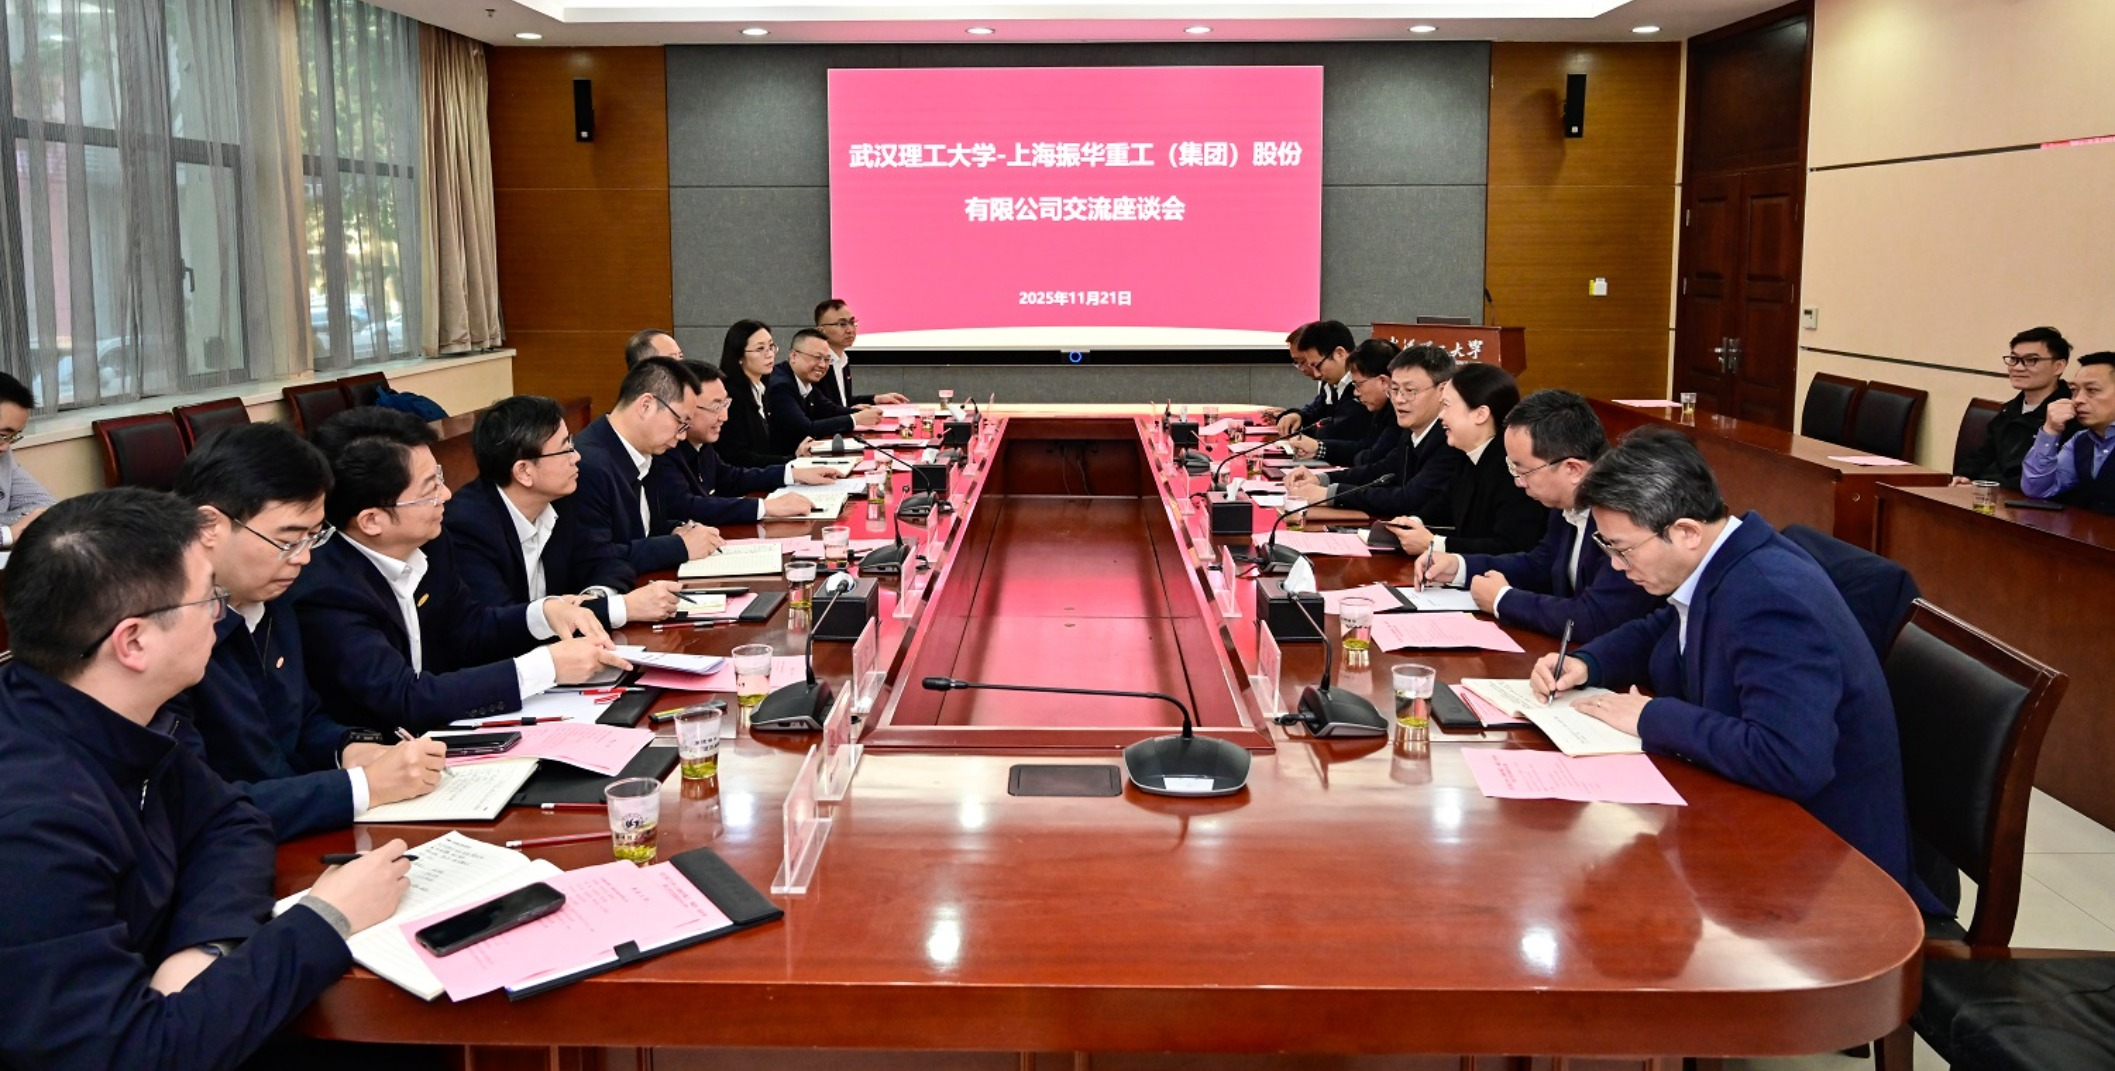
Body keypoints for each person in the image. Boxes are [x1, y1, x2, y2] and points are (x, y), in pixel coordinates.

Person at [0, 487, 413, 1069]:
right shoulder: (31, 824)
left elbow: (229, 819)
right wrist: (326, 920)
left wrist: (204, 948)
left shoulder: (113, 716)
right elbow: (132, 1056)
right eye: (209, 599)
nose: (220, 616)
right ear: (134, 641)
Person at [1530, 427, 1940, 912]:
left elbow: (1788, 760)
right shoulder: (1724, 561)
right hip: (1765, 825)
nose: (1617, 567)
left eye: (1623, 549)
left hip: (1828, 876)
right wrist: (1587, 662)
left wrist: (1649, 717)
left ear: (1685, 531)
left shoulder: (1769, 598)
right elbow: (1667, 626)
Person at [170, 423, 447, 840]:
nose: (303, 559)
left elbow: (302, 719)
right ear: (209, 525)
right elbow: (196, 807)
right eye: (288, 540)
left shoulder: (272, 597)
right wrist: (362, 786)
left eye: (313, 538)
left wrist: (351, 750)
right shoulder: (164, 635)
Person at [291, 407, 629, 733]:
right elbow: (404, 697)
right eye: (429, 489)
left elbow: (470, 629)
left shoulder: (431, 543)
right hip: (386, 752)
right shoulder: (327, 590)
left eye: (439, 478)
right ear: (371, 521)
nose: (446, 494)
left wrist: (544, 613)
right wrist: (546, 667)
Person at [1414, 390, 1660, 642]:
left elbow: (1596, 618)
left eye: (1523, 470)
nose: (1518, 482)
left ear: (1573, 469)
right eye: (1512, 468)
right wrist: (1460, 567)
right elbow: (1541, 564)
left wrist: (1503, 600)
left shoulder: (1626, 517)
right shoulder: (1565, 500)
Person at [444, 395, 683, 629]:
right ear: (524, 471)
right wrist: (619, 608)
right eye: (565, 449)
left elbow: (607, 562)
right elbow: (499, 626)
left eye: (572, 444)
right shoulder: (468, 525)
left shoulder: (563, 497)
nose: (576, 457)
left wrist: (594, 597)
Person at [568, 357, 727, 574]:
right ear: (646, 405)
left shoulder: (649, 451)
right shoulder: (588, 465)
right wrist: (678, 546)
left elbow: (644, 528)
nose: (682, 436)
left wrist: (677, 529)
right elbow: (595, 558)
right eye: (681, 423)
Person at [649, 361, 849, 526]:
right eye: (716, 407)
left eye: (725, 404)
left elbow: (731, 478)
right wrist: (765, 507)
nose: (724, 417)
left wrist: (793, 474)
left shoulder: (701, 443)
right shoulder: (665, 449)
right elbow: (686, 507)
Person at [1382, 361, 1546, 557]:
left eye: (1446, 406)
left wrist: (1436, 544)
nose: (1441, 416)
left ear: (1480, 414)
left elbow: (1510, 546)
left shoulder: (1513, 467)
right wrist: (1413, 522)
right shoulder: (1469, 455)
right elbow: (1444, 504)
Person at [1285, 344, 1464, 520]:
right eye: (1395, 390)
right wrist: (1321, 480)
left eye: (1410, 391)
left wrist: (1328, 494)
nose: (1399, 399)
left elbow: (1408, 499)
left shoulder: (1451, 440)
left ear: (1442, 391)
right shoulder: (1412, 431)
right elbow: (1381, 470)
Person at [1954, 326, 2072, 488]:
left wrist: (1983, 486)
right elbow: (1985, 453)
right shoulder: (2009, 409)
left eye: (2031, 360)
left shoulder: (2067, 416)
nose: (2018, 367)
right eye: (2014, 359)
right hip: (1988, 492)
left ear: (2058, 366)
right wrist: (1965, 475)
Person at [2021, 351, 2115, 512]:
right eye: (2074, 390)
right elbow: (2037, 489)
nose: (2077, 400)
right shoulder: (2081, 440)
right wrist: (2050, 431)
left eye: (2092, 390)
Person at [765, 328, 881, 454]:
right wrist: (855, 419)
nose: (822, 365)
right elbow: (806, 429)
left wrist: (864, 413)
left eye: (827, 359)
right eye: (817, 357)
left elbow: (831, 410)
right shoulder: (780, 386)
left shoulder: (805, 380)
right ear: (794, 356)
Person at [1286, 338, 1396, 463]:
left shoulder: (1396, 414)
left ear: (1383, 381)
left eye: (1358, 385)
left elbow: (1372, 458)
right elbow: (1365, 448)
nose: (1356, 393)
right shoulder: (1381, 409)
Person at [717, 320, 798, 467]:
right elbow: (737, 457)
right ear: (739, 356)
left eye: (771, 346)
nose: (770, 354)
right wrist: (792, 460)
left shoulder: (762, 388)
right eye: (760, 349)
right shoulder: (729, 396)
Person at [1273, 320, 1367, 440]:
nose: (1316, 373)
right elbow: (1316, 410)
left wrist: (1313, 439)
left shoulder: (1361, 386)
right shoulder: (1332, 381)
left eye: (1317, 365)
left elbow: (1337, 432)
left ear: (1340, 354)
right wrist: (1298, 416)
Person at [813, 299, 910, 408]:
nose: (850, 330)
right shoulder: (816, 365)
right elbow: (821, 410)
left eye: (852, 322)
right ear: (821, 331)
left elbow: (844, 402)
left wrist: (876, 399)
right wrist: (852, 413)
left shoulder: (842, 360)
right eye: (842, 324)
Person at [0, 371, 56, 547]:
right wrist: (6, 534)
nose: (6, 446)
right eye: (2, 434)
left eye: (12, 437)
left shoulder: (4, 456)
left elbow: (45, 508)